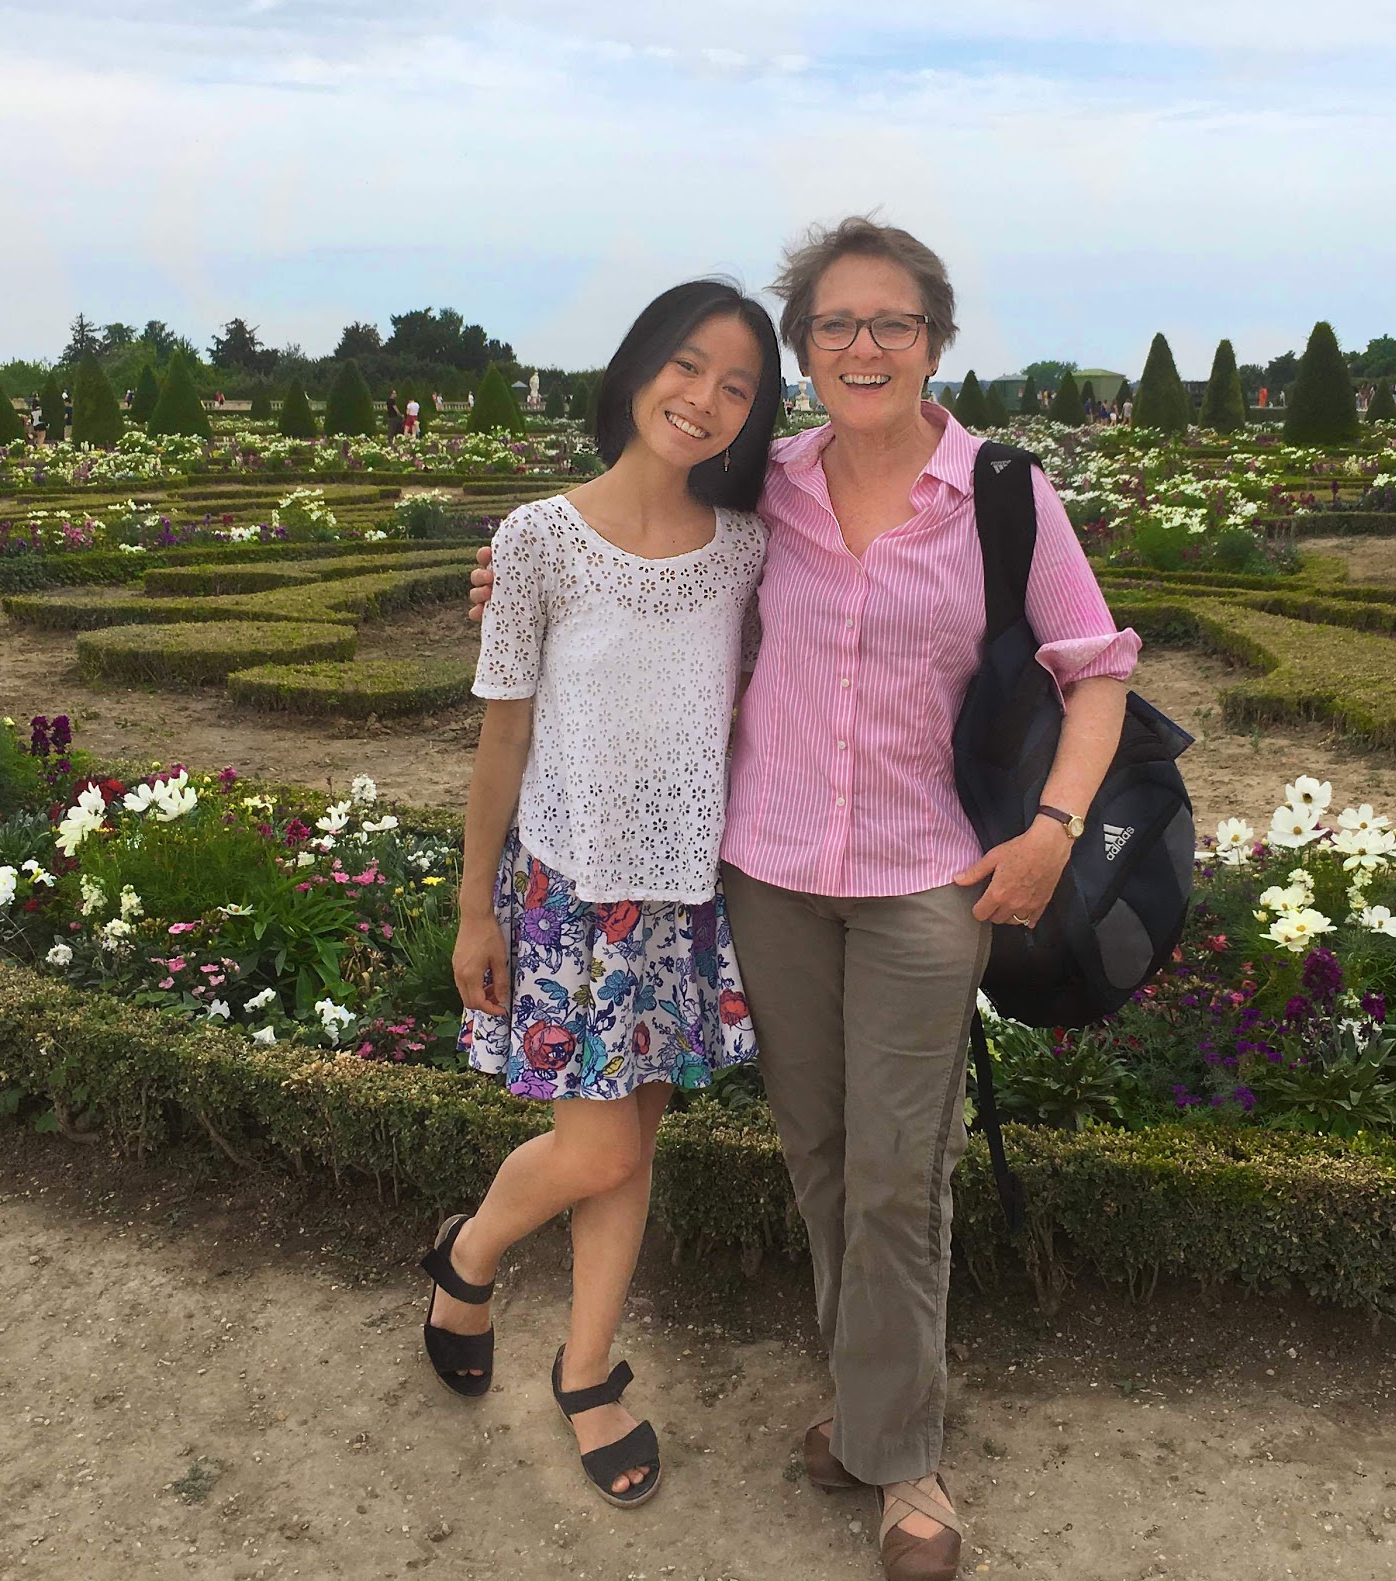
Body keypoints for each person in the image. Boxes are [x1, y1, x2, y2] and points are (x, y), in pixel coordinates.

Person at [471, 219, 1136, 1581]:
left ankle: (904, 1466)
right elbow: (633, 550)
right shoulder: (762, 488)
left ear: (935, 342)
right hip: (766, 877)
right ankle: (872, 1406)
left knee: (900, 1174)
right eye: (835, 324)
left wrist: (1056, 829)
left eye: (892, 323)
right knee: (826, 1163)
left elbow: (1097, 667)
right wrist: (508, 572)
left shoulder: (1001, 492)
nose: (863, 346)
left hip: (925, 881)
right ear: (806, 348)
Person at [422, 279, 779, 1514]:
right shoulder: (535, 540)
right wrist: (477, 907)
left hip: (683, 898)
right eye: (687, 366)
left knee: (633, 1148)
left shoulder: (746, 548)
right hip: (572, 895)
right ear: (635, 368)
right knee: (600, 1142)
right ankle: (466, 1255)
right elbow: (502, 740)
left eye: (737, 386)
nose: (704, 399)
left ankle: (584, 1373)